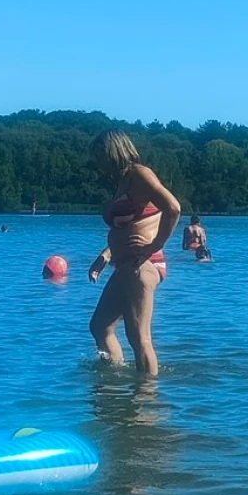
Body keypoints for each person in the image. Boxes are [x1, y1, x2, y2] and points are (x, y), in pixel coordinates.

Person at [86, 130, 181, 374]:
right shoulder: (123, 181)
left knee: (139, 337)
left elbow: (172, 208)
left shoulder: (140, 174)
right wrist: (106, 255)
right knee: (100, 326)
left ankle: (146, 399)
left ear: (112, 152)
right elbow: (130, 227)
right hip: (125, 265)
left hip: (142, 265)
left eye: (99, 155)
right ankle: (114, 381)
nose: (96, 163)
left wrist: (155, 246)